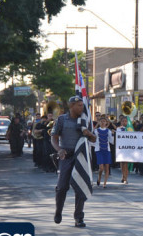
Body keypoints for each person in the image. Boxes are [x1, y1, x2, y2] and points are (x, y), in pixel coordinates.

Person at [51, 96, 96, 227]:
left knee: (80, 186)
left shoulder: (85, 120)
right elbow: (53, 138)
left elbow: (94, 139)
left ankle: (78, 217)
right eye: (79, 105)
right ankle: (58, 211)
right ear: (72, 106)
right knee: (62, 187)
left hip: (81, 156)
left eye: (82, 105)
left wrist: (89, 134)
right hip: (66, 156)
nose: (82, 107)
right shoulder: (61, 119)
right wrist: (59, 150)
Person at [95, 117, 113, 188]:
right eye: (101, 121)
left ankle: (105, 183)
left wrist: (113, 134)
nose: (102, 123)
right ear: (99, 122)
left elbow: (111, 141)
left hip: (107, 150)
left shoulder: (108, 131)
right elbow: (93, 139)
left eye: (104, 121)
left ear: (106, 123)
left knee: (107, 168)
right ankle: (99, 177)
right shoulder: (96, 131)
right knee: (101, 168)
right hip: (99, 150)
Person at [117, 116, 130, 184]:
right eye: (123, 121)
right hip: (121, 148)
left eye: (125, 121)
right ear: (121, 122)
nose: (124, 122)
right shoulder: (119, 129)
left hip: (127, 147)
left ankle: (125, 178)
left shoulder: (130, 129)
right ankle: (123, 175)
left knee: (126, 163)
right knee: (122, 163)